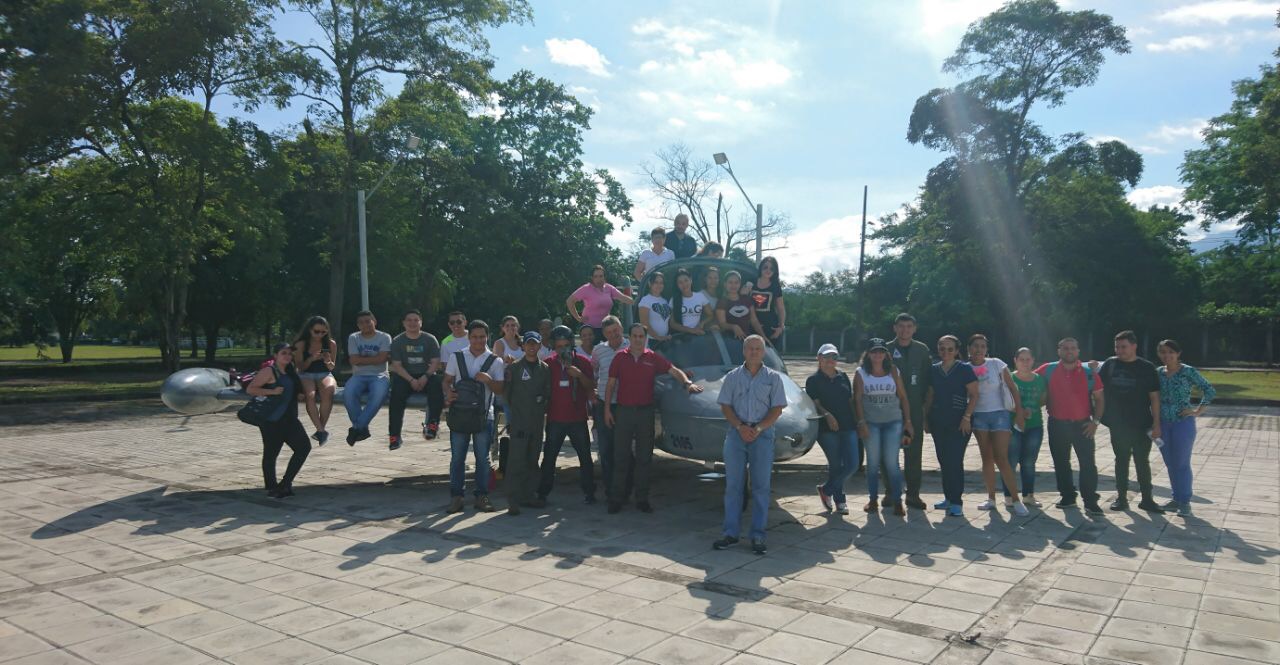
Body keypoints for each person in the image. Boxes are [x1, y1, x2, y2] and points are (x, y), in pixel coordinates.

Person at [604, 323, 702, 513]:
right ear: (630, 337)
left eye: (641, 336)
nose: (638, 339)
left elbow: (674, 370)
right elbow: (610, 385)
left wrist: (687, 383)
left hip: (645, 413)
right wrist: (607, 410)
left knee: (644, 458)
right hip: (623, 412)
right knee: (621, 456)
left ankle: (642, 498)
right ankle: (616, 499)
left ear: (645, 338)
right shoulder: (619, 358)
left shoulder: (652, 357)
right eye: (635, 336)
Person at [713, 335, 787, 555]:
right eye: (750, 348)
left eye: (758, 349)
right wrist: (739, 427)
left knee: (761, 487)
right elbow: (725, 405)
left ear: (763, 352)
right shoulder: (732, 377)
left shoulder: (773, 378)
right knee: (733, 486)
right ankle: (731, 533)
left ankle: (758, 535)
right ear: (744, 351)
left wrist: (758, 429)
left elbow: (777, 409)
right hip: (737, 434)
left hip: (762, 434)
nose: (754, 352)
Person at [1098, 330, 1165, 513]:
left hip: (1142, 423)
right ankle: (1121, 498)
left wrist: (1157, 423)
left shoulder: (1147, 367)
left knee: (1142, 461)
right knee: (1121, 460)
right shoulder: (1110, 365)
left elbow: (1154, 397)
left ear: (1134, 346)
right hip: (1118, 424)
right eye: (1117, 347)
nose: (1120, 350)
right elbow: (1098, 393)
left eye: (1124, 347)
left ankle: (1147, 499)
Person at [1036, 337, 1104, 514]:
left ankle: (1090, 501)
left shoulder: (1089, 372)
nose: (1069, 351)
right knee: (1061, 462)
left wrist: (1095, 422)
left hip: (1083, 424)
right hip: (1057, 423)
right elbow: (1027, 378)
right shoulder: (1048, 370)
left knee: (1088, 463)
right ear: (1059, 351)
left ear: (1078, 351)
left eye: (1073, 348)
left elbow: (1100, 399)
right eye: (1065, 348)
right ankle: (1067, 497)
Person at [443, 320, 505, 513]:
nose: (478, 340)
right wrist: (448, 393)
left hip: (484, 416)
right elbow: (446, 381)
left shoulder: (495, 361)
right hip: (459, 413)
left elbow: (500, 389)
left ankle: (482, 495)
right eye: (475, 337)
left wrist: (489, 380)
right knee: (457, 458)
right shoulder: (457, 357)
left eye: (482, 337)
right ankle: (457, 497)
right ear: (469, 337)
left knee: (483, 459)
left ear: (487, 338)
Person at [967, 335, 1030, 516]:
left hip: (999, 414)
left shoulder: (996, 363)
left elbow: (1012, 387)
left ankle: (1015, 500)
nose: (979, 350)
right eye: (975, 346)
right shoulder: (965, 368)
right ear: (969, 348)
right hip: (979, 416)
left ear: (987, 349)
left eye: (982, 346)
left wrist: (1018, 412)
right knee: (986, 458)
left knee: (1001, 458)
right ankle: (991, 498)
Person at [537, 326, 597, 505]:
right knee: (549, 458)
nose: (562, 349)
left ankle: (589, 492)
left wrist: (579, 375)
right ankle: (543, 493)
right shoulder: (548, 363)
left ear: (572, 344)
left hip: (578, 419)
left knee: (585, 458)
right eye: (559, 346)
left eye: (566, 345)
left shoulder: (583, 363)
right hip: (555, 419)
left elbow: (590, 386)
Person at [854, 338, 913, 516]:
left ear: (886, 354)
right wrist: (861, 422)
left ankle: (897, 500)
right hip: (871, 422)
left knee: (891, 463)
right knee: (872, 463)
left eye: (881, 351)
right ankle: (873, 499)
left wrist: (908, 421)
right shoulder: (861, 373)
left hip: (893, 421)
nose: (877, 355)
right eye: (874, 351)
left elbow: (903, 397)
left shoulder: (893, 371)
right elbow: (857, 399)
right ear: (868, 354)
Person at [1156, 338, 1215, 516]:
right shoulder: (1158, 372)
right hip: (1162, 424)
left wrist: (1197, 411)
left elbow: (1209, 389)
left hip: (1183, 423)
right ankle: (1176, 498)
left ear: (1178, 353)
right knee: (1170, 462)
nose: (1167, 356)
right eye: (1163, 352)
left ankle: (1185, 501)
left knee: (1181, 462)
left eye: (1170, 352)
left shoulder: (1187, 371)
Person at [924, 335, 977, 517]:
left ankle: (957, 501)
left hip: (959, 422)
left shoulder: (964, 369)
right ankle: (948, 497)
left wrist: (967, 417)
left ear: (956, 351)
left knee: (954, 461)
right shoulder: (933, 370)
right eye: (941, 348)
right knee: (943, 460)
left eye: (949, 349)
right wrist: (926, 418)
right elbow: (930, 395)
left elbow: (975, 395)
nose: (945, 352)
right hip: (938, 421)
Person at [247, 343, 310, 499]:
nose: (288, 356)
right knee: (271, 454)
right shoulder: (269, 371)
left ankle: (285, 483)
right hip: (272, 420)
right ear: (275, 355)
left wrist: (299, 395)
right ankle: (272, 487)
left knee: (303, 448)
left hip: (290, 419)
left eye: (290, 353)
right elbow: (251, 389)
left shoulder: (290, 371)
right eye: (284, 353)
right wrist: (272, 391)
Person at [805, 344, 858, 515]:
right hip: (827, 429)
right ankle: (840, 500)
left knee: (852, 464)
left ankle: (826, 490)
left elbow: (850, 401)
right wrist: (827, 415)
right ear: (819, 358)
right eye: (826, 357)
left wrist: (859, 421)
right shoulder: (813, 380)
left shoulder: (843, 376)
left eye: (834, 357)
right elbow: (815, 403)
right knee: (836, 464)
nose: (831, 361)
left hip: (848, 425)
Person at [502, 331, 551, 515]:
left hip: (537, 422)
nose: (531, 347)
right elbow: (506, 395)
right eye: (528, 344)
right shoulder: (514, 369)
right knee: (516, 461)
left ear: (540, 346)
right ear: (523, 346)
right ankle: (513, 499)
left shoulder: (545, 369)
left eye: (535, 344)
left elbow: (547, 394)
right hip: (519, 422)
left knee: (532, 459)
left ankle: (529, 495)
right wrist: (514, 417)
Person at [888, 313, 931, 509]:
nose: (905, 330)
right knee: (888, 454)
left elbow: (928, 382)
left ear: (915, 328)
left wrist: (925, 412)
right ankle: (891, 493)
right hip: (888, 410)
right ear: (895, 328)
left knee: (913, 453)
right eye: (901, 326)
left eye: (909, 326)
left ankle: (913, 494)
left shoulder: (922, 350)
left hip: (914, 410)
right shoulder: (885, 349)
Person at [387, 310, 441, 451]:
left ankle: (432, 425)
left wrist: (426, 376)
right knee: (396, 397)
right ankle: (394, 436)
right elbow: (397, 366)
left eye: (416, 320)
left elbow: (435, 361)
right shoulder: (398, 341)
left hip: (426, 374)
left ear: (421, 322)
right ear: (404, 323)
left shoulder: (430, 339)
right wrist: (411, 380)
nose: (412, 323)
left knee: (436, 386)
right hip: (405, 376)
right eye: (409, 320)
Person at [592, 316, 631, 501]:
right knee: (606, 449)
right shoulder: (598, 350)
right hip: (603, 405)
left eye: (616, 331)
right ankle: (611, 490)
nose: (614, 335)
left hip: (625, 405)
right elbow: (595, 372)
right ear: (604, 334)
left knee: (624, 450)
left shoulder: (632, 346)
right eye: (609, 333)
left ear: (621, 328)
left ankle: (626, 488)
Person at [1004, 347, 1047, 507]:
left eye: (1028, 359)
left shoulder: (1039, 380)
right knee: (1010, 461)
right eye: (1021, 359)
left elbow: (1043, 399)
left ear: (1033, 361)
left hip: (1034, 425)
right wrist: (1019, 411)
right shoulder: (1009, 378)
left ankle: (1028, 495)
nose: (1025, 362)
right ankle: (1009, 496)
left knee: (1029, 462)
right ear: (1015, 361)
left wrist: (1031, 410)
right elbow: (1004, 400)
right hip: (1012, 425)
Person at [343, 310, 392, 446]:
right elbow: (353, 360)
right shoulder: (354, 337)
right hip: (358, 375)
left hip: (380, 376)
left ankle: (357, 428)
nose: (365, 324)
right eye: (361, 323)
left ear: (374, 322)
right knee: (348, 394)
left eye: (368, 321)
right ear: (358, 325)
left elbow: (382, 359)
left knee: (377, 397)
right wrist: (375, 359)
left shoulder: (384, 337)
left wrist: (362, 359)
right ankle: (361, 428)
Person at [292, 316, 338, 446]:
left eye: (323, 332)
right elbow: (300, 367)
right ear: (309, 330)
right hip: (306, 374)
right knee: (310, 395)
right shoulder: (301, 344)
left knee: (328, 391)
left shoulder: (330, 343)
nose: (320, 335)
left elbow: (331, 367)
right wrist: (311, 359)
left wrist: (327, 361)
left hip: (324, 373)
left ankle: (320, 430)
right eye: (316, 332)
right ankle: (322, 431)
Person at [427, 311, 470, 440]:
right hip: (455, 379)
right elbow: (446, 366)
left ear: (465, 322)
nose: (455, 325)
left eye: (459, 322)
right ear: (449, 325)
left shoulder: (473, 336)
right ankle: (431, 425)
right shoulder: (446, 342)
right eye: (452, 323)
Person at [567, 265, 633, 341]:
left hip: (606, 328)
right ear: (592, 278)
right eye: (596, 276)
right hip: (590, 329)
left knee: (608, 350)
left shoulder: (609, 288)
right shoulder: (586, 289)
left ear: (604, 277)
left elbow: (624, 298)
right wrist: (578, 318)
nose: (599, 279)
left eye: (601, 276)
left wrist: (638, 300)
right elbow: (569, 301)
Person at [717, 271, 765, 340]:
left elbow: (754, 320)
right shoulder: (722, 302)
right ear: (725, 284)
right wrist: (733, 327)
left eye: (736, 282)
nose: (733, 285)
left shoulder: (747, 299)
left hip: (748, 340)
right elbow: (722, 324)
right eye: (730, 282)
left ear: (740, 284)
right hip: (729, 341)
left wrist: (763, 336)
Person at [748, 256, 785, 343]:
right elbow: (742, 298)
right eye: (765, 267)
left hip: (771, 329)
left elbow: (781, 308)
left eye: (771, 269)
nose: (768, 270)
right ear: (761, 268)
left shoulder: (775, 285)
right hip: (752, 327)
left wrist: (780, 327)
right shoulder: (751, 281)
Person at [670, 267, 711, 337]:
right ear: (677, 285)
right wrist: (692, 330)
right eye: (680, 282)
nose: (684, 284)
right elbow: (672, 324)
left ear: (691, 280)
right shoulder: (674, 299)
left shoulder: (700, 296)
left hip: (697, 336)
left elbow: (710, 315)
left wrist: (702, 323)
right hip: (680, 337)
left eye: (686, 280)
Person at [638, 271, 672, 346]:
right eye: (656, 282)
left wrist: (664, 338)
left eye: (661, 283)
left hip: (664, 340)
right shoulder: (645, 300)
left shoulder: (665, 301)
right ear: (650, 284)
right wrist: (658, 337)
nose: (659, 285)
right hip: (651, 341)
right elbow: (644, 323)